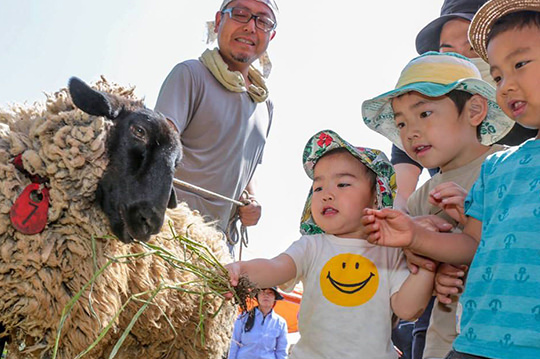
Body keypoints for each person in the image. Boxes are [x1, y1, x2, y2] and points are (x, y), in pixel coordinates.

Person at [362, 3, 540, 357]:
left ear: (474, 110)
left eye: (519, 64)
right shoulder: (499, 167)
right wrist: (417, 238)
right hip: (473, 343)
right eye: (498, 75)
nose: (506, 85)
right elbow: (474, 245)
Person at [226, 129, 435, 359]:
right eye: (318, 187)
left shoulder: (389, 252)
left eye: (342, 184)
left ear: (376, 195)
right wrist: (241, 270)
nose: (326, 194)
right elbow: (275, 268)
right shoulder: (311, 247)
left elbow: (408, 308)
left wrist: (426, 265)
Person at [154, 0, 278, 251]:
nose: (251, 27)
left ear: (271, 35)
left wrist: (251, 199)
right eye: (241, 14)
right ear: (219, 21)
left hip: (219, 248)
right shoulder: (190, 75)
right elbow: (158, 150)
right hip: (170, 237)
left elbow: (245, 168)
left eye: (263, 21)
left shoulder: (264, 105)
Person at [391, 0, 537, 212]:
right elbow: (402, 199)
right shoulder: (414, 121)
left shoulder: (509, 160)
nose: (460, 57)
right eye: (447, 50)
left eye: (472, 48)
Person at [228, 287, 288, 359]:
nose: (266, 295)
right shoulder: (243, 317)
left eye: (270, 293)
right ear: (257, 296)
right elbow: (234, 343)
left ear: (275, 297)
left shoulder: (280, 323)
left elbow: (281, 351)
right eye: (262, 292)